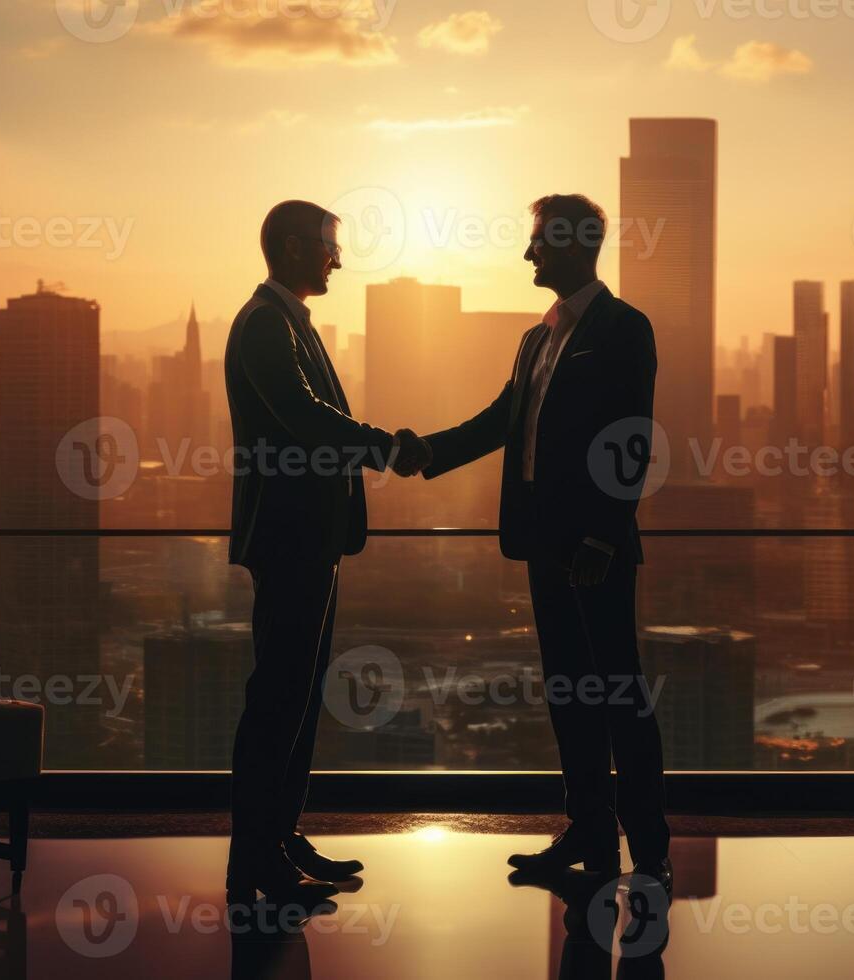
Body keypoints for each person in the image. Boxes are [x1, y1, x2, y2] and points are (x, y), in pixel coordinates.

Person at [407, 194, 671, 891]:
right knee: (570, 696)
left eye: (539, 244)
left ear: (576, 245)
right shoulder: (537, 338)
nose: (527, 255)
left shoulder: (623, 328)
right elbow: (503, 419)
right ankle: (588, 836)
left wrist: (605, 538)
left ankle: (650, 849)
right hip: (544, 546)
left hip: (593, 550)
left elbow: (631, 441)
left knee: (618, 694)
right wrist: (424, 452)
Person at [223, 200, 431, 907]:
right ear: (290, 247)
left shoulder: (285, 323)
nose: (337, 259)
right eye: (327, 247)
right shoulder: (263, 326)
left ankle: (279, 837)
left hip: (308, 537)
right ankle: (256, 854)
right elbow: (303, 417)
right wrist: (384, 448)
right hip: (288, 538)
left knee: (299, 696)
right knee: (278, 696)